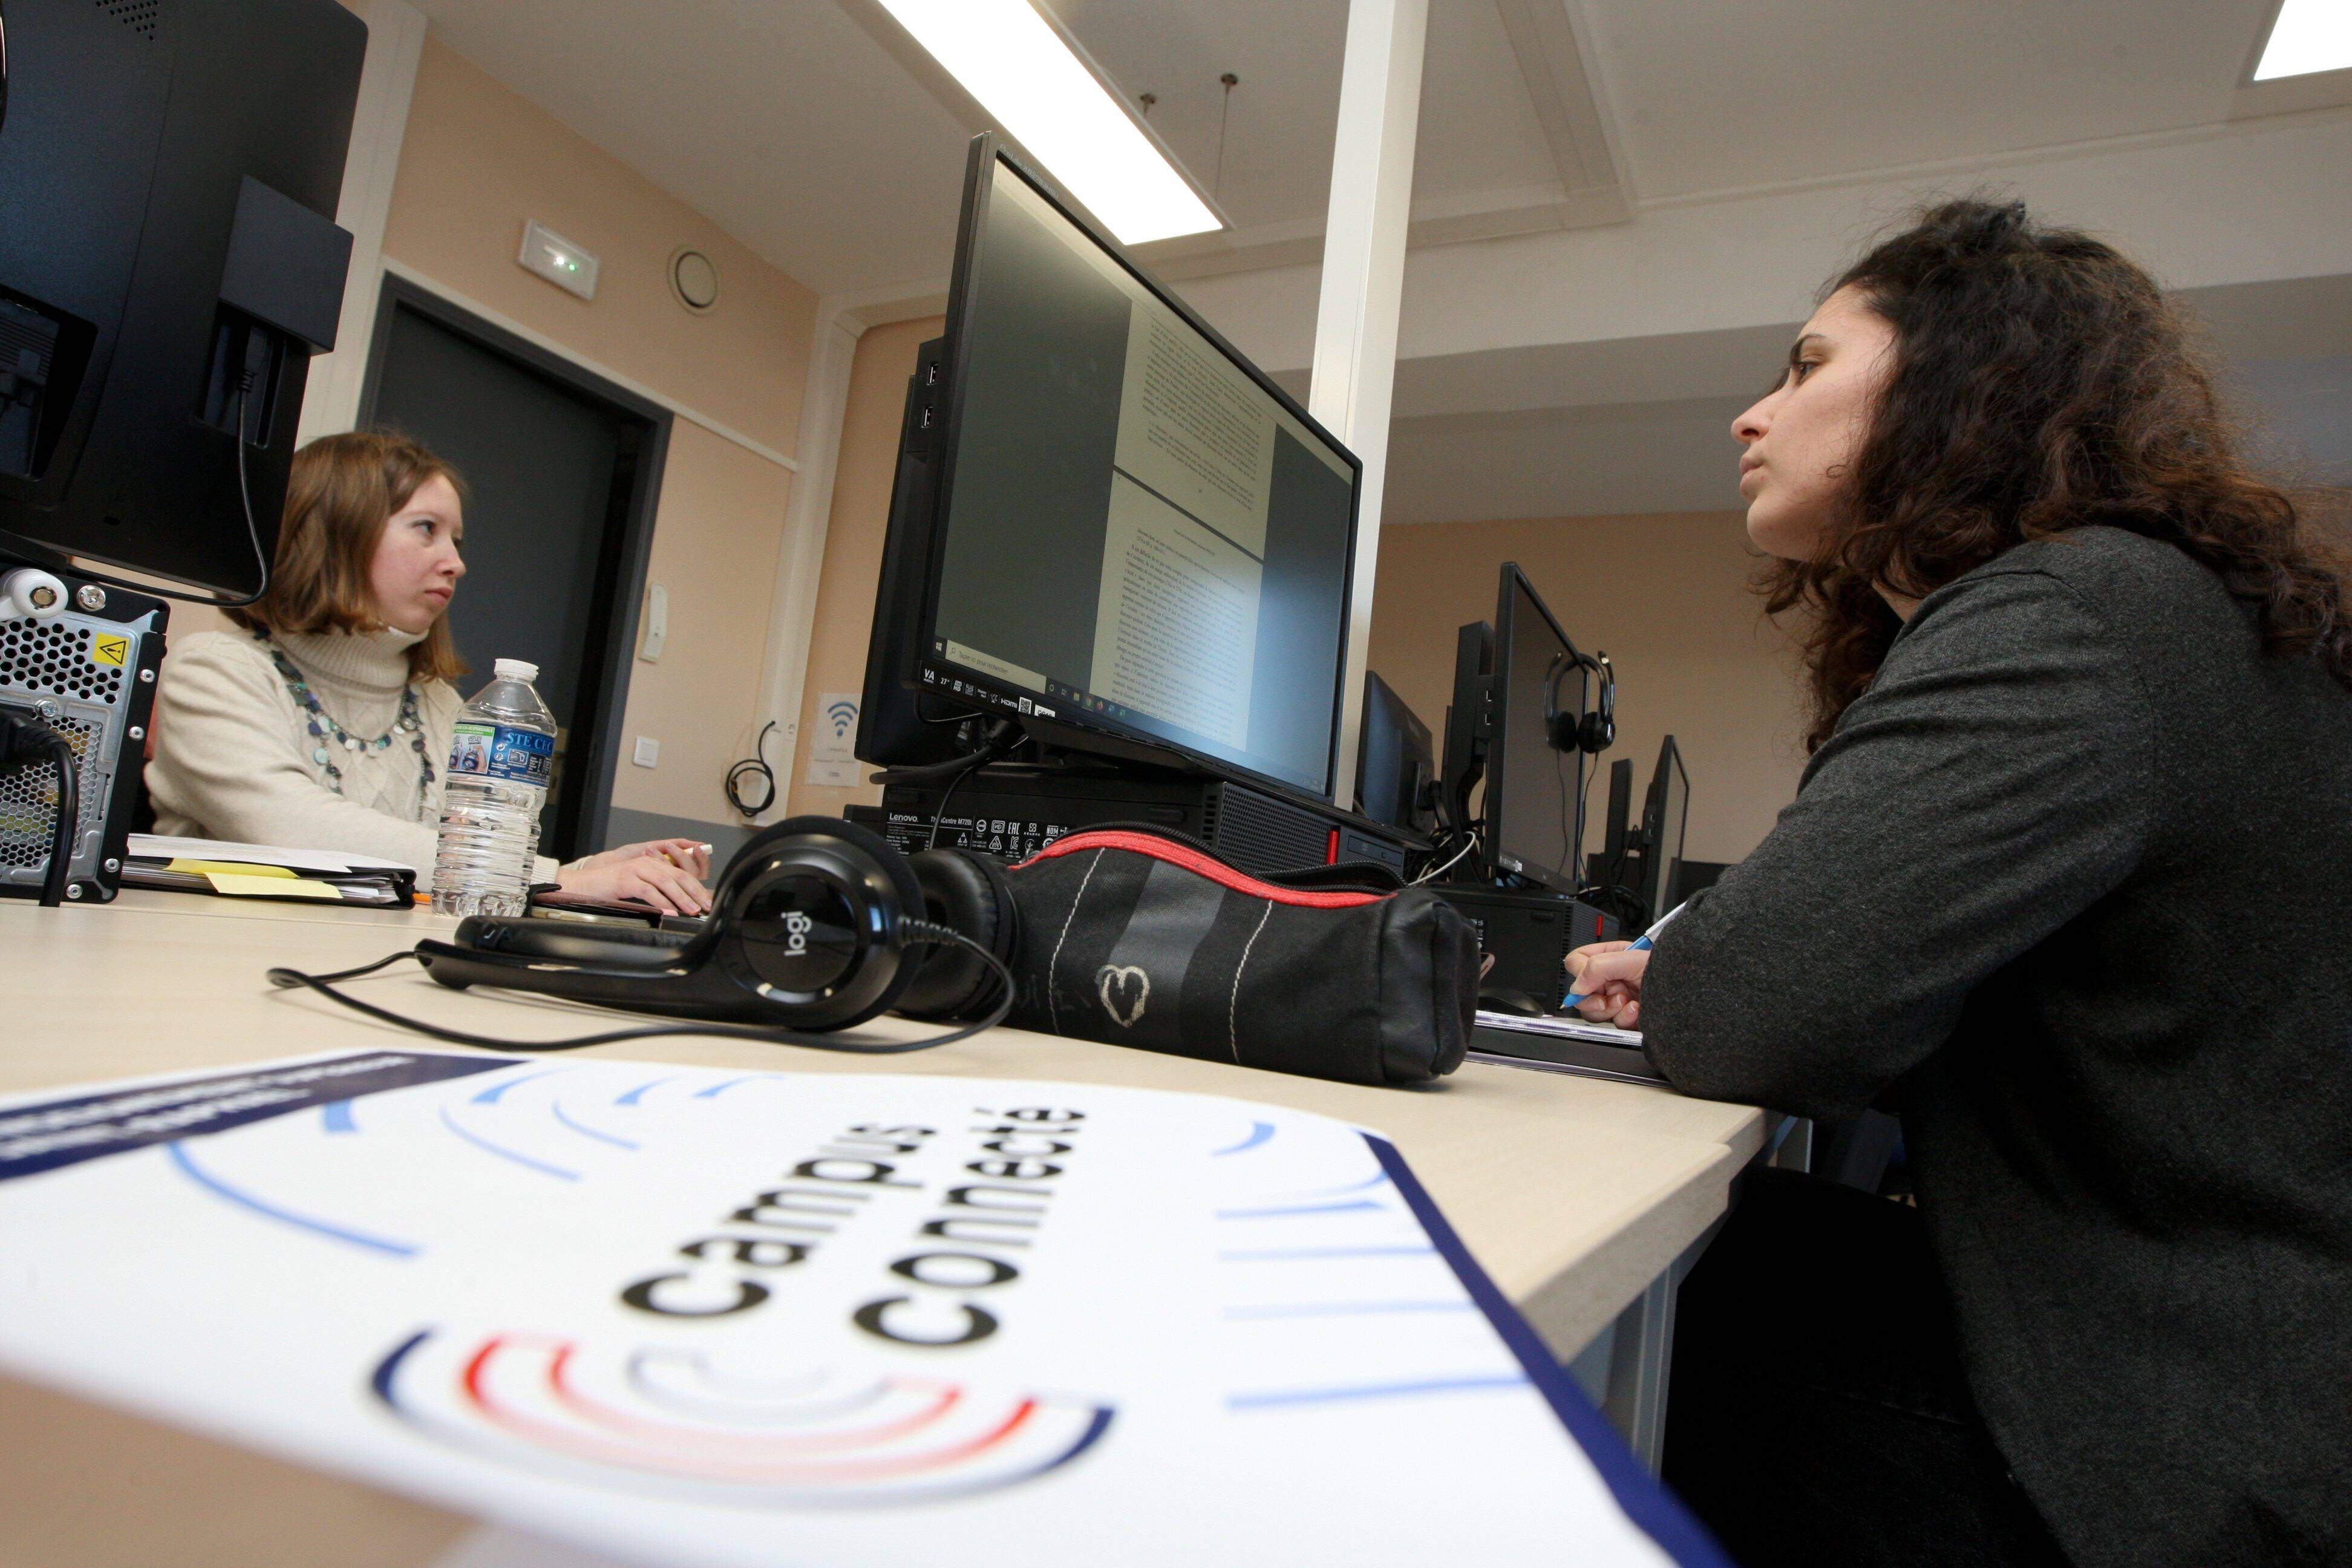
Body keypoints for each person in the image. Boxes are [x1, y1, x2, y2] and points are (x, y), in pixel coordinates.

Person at [1566, 199, 2352, 1566]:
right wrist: (1719, 972)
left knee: (1598, 1275)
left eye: (1807, 366)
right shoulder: (2154, 610)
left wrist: (1706, 977)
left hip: (2164, 1451)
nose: (1752, 415)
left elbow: (1763, 1006)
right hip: (2250, 1383)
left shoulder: (2072, 611)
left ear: (1960, 380)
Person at [146, 430, 715, 914]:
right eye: (426, 529)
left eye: (457, 540)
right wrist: (556, 879)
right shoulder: (215, 668)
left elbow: (470, 857)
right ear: (335, 531)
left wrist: (603, 871)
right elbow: (288, 827)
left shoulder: (436, 702)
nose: (456, 563)